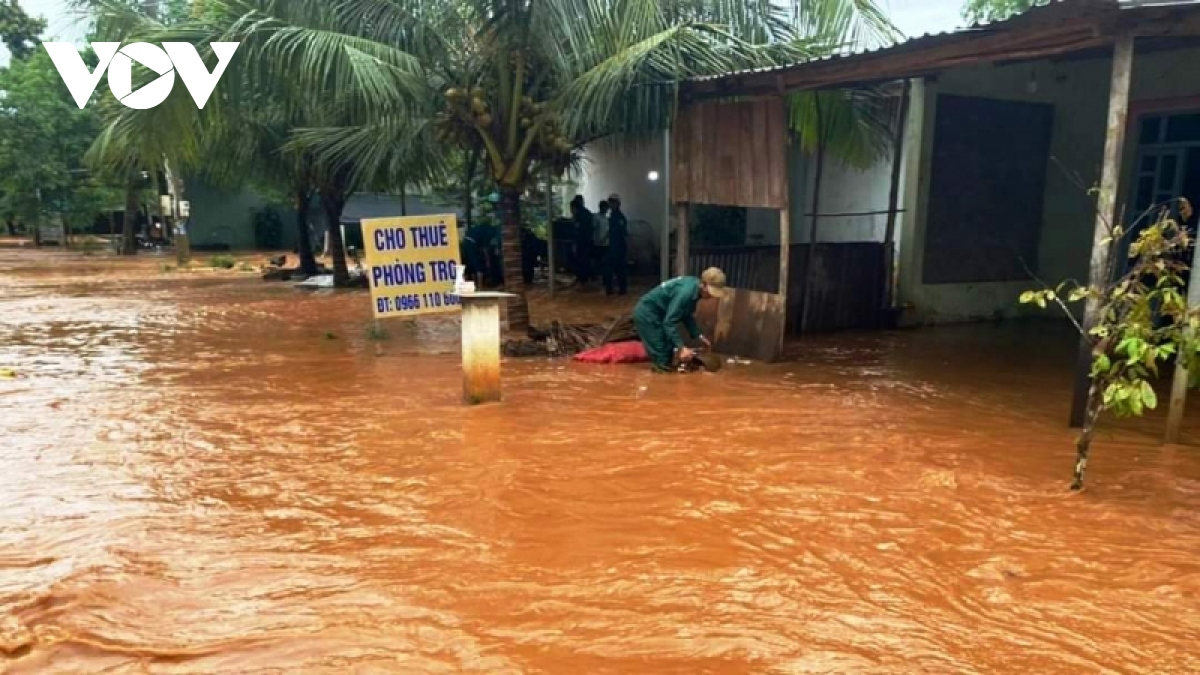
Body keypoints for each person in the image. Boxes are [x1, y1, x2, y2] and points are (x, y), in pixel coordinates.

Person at [633, 267, 728, 373]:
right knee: (661, 354)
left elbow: (686, 315)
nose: (711, 296)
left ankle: (664, 373)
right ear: (703, 284)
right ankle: (661, 379)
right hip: (648, 315)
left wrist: (698, 336)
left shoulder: (694, 288)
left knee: (669, 348)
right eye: (710, 291)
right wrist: (681, 348)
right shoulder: (686, 293)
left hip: (660, 314)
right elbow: (669, 323)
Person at [604, 193, 629, 296]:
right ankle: (611, 289)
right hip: (612, 247)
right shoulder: (611, 216)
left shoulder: (619, 217)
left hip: (618, 247)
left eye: (613, 202)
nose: (611, 204)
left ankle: (620, 290)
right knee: (611, 269)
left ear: (617, 204)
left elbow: (623, 234)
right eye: (610, 202)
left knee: (619, 269)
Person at [570, 195, 594, 284]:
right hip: (588, 240)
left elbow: (577, 231)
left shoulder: (579, 216)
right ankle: (586, 277)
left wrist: (575, 243)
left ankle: (582, 278)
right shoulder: (588, 213)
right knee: (586, 259)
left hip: (581, 242)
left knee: (580, 260)